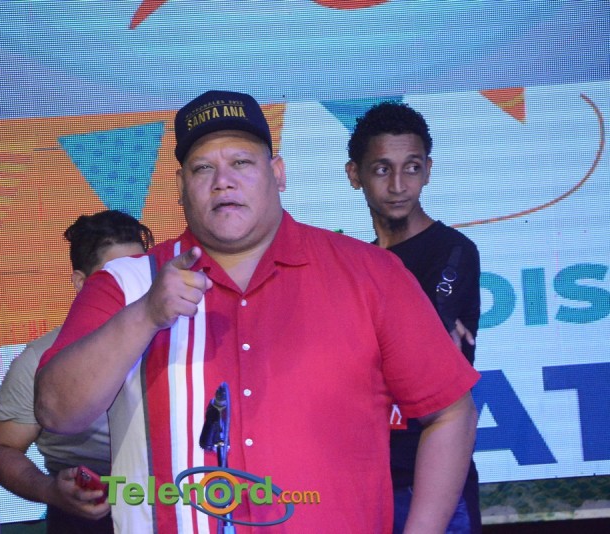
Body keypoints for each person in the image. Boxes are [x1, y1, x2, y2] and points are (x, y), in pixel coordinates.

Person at [35, 90, 480, 534]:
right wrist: (146, 315)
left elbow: (451, 413)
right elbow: (57, 412)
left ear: (278, 172)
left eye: (241, 162)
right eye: (203, 168)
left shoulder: (369, 273)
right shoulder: (127, 283)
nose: (223, 181)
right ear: (180, 187)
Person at [345, 101, 482, 533]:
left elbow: (426, 353)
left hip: (433, 480)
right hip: (366, 478)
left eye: (412, 168)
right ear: (355, 175)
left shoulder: (454, 251)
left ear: (428, 170)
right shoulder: (357, 262)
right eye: (382, 169)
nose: (399, 185)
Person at [0, 210, 154, 534]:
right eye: (115, 279)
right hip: (86, 518)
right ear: (81, 283)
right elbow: (1, 450)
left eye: (140, 274)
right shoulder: (39, 360)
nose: (132, 288)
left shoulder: (181, 343)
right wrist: (51, 491)